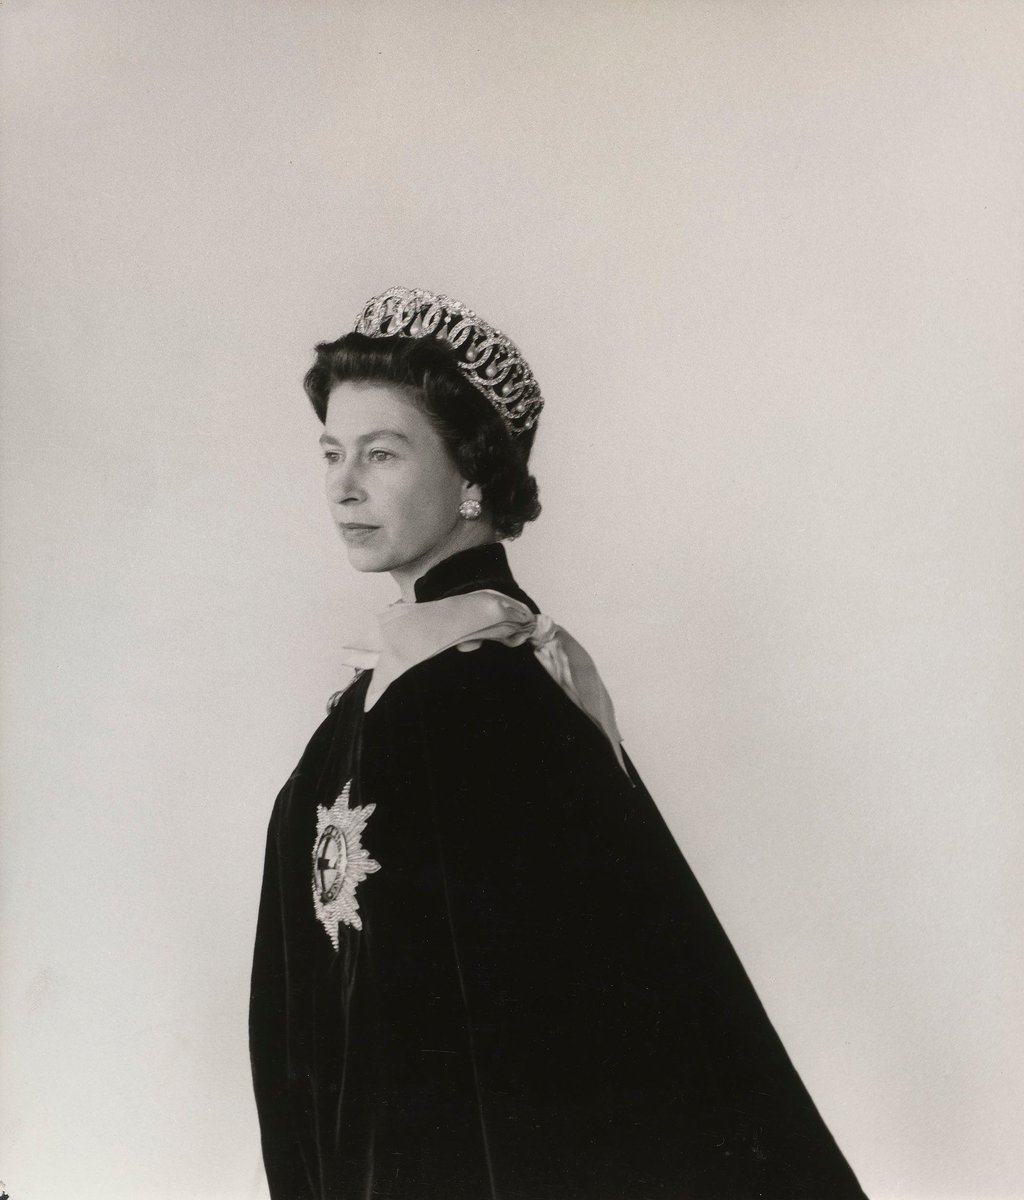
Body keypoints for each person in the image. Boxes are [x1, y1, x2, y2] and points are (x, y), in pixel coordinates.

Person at [249, 287, 868, 1200]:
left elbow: (549, 1060)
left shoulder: (487, 700)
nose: (342, 486)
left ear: (472, 476)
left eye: (381, 454)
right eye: (333, 454)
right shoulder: (396, 687)